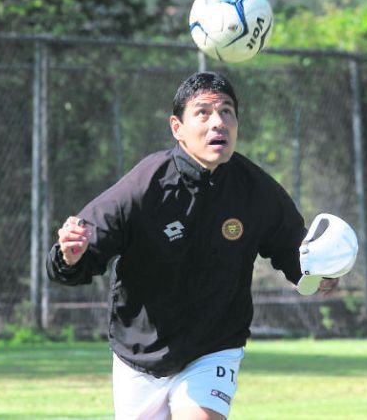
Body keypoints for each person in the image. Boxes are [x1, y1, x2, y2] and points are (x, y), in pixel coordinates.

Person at [47, 71, 339, 420]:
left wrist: (318, 272)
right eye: (203, 113)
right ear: (177, 128)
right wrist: (70, 254)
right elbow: (81, 252)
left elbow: (292, 247)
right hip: (140, 350)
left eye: (227, 112)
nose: (218, 122)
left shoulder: (256, 190)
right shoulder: (144, 186)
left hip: (214, 345)